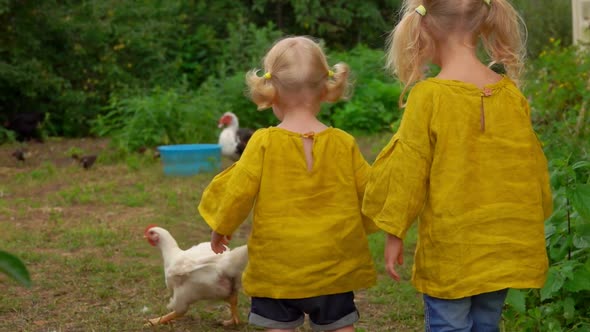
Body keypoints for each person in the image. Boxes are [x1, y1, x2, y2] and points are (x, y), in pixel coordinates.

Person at [362, 1, 552, 331]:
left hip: (451, 253)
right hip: (499, 249)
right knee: (487, 324)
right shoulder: (510, 94)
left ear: (424, 30)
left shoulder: (428, 97)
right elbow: (531, 169)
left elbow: (408, 169)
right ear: (483, 25)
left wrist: (394, 232)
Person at [198, 36, 377, 332]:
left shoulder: (263, 142)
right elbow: (372, 192)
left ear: (271, 93)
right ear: (325, 89)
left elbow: (237, 191)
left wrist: (222, 226)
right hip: (333, 267)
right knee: (339, 325)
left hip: (277, 269)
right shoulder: (344, 144)